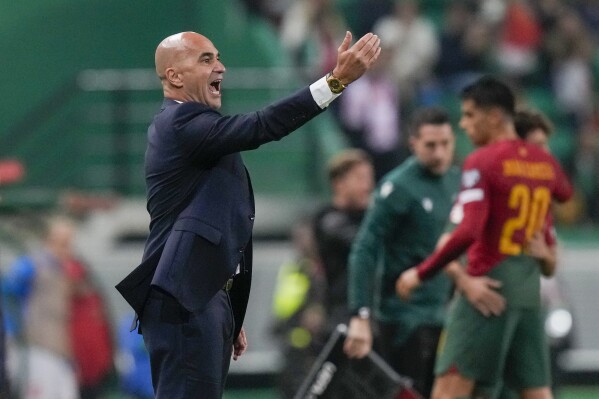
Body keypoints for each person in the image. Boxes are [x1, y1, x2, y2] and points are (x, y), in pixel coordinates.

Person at [115, 31, 381, 399]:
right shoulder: (180, 124)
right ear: (175, 76)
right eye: (205, 59)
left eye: (218, 57)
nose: (220, 66)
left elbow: (216, 219)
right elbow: (261, 125)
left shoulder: (199, 131)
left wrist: (227, 307)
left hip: (202, 297)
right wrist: (334, 82)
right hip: (185, 300)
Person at [397, 76, 573, 399]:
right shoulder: (542, 163)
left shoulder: (482, 161)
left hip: (487, 291)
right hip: (528, 293)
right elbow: (565, 192)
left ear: (493, 117)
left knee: (449, 389)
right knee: (536, 392)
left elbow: (467, 231)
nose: (463, 124)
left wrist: (420, 274)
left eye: (469, 115)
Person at [343, 107, 460, 398]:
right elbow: (364, 248)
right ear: (413, 144)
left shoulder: (457, 180)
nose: (439, 153)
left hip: (446, 315)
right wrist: (360, 313)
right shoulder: (397, 187)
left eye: (445, 144)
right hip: (405, 319)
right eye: (430, 145)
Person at [2, 218, 81, 399]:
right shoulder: (29, 265)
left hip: (59, 349)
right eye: (63, 243)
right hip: (35, 347)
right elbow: (8, 296)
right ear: (49, 241)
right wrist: (16, 332)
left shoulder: (64, 269)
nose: (67, 249)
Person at [313, 149, 374, 332]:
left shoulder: (369, 216)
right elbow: (363, 243)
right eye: (359, 178)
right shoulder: (329, 219)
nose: (367, 186)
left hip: (374, 312)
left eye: (369, 178)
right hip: (342, 315)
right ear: (339, 183)